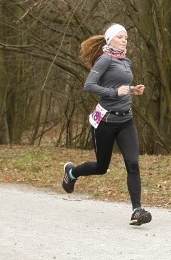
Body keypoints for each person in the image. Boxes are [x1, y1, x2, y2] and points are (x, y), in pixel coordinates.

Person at [61, 23, 152, 227]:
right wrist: (114, 93)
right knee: (102, 167)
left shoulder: (125, 61)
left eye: (126, 37)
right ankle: (71, 173)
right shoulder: (105, 59)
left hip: (126, 120)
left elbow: (120, 86)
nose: (124, 40)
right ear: (110, 39)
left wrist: (132, 90)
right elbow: (89, 86)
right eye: (120, 37)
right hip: (106, 122)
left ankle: (137, 210)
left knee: (133, 163)